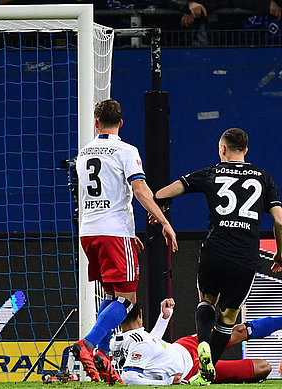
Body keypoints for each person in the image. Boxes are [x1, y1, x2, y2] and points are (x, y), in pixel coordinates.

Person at [152, 127, 282, 383]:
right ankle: (206, 372)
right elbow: (279, 220)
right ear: (246, 150)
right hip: (245, 257)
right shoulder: (263, 178)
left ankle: (202, 345)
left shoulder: (211, 173)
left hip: (215, 251)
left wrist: (163, 203)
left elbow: (161, 193)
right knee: (229, 317)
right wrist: (280, 253)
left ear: (222, 148)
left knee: (206, 302)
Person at [70, 99, 178, 384]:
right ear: (121, 123)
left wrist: (129, 237)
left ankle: (102, 355)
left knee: (111, 296)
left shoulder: (83, 153)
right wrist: (164, 222)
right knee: (127, 301)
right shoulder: (126, 150)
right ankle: (90, 344)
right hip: (113, 232)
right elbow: (139, 189)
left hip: (90, 232)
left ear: (95, 123)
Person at [112, 298, 278, 385]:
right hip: (193, 372)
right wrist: (167, 382)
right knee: (263, 367)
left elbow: (150, 345)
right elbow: (129, 378)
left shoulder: (130, 340)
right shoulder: (136, 343)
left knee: (239, 331)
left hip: (185, 346)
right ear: (140, 313)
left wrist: (164, 317)